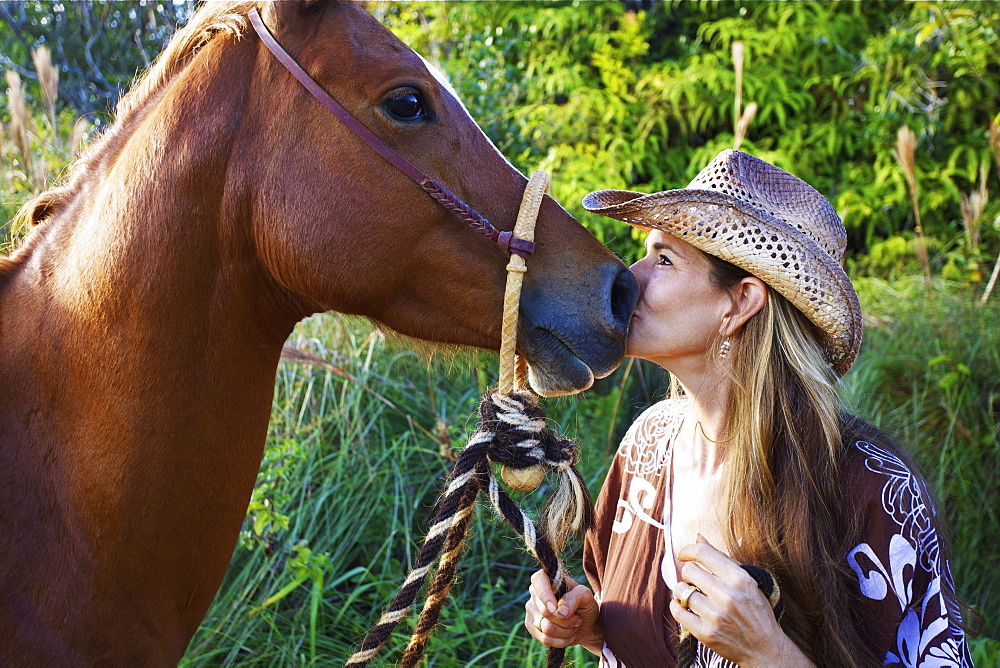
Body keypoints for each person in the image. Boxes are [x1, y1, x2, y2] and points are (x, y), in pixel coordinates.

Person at [523, 150, 973, 666]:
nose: (633, 273)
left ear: (740, 303)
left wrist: (769, 653)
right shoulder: (646, 447)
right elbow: (644, 637)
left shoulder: (872, 490)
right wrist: (594, 624)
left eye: (664, 259)